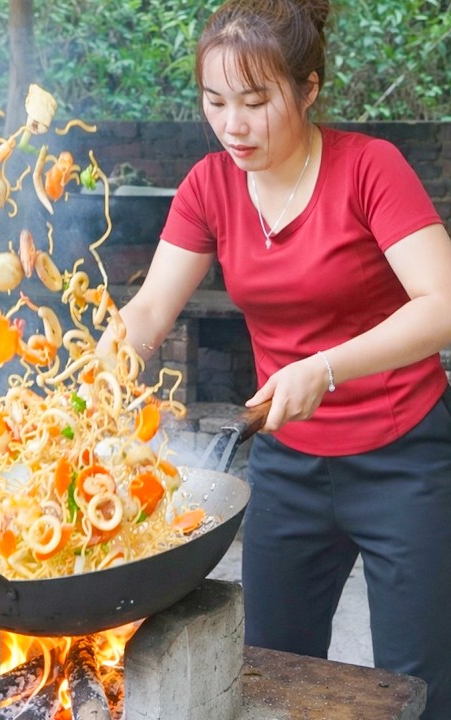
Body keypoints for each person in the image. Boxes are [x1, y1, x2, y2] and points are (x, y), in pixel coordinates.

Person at [105, 0, 451, 715]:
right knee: (268, 666)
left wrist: (324, 368)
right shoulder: (209, 186)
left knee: (421, 683)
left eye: (256, 101)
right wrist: (102, 368)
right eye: (215, 101)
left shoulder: (369, 169)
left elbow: (442, 303)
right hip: (287, 463)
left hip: (404, 457)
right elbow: (148, 310)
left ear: (309, 89)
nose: (233, 125)